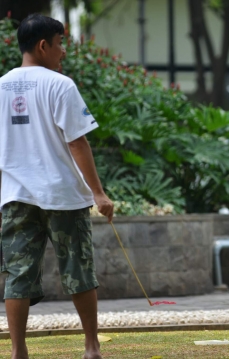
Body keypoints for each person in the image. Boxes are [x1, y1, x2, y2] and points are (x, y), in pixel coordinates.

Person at [0, 14, 114, 359]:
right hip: (62, 196)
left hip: (15, 196)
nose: (63, 52)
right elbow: (78, 143)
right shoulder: (60, 85)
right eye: (61, 43)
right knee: (78, 270)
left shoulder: (1, 86)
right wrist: (98, 193)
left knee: (17, 274)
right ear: (43, 45)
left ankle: (18, 352)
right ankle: (91, 347)